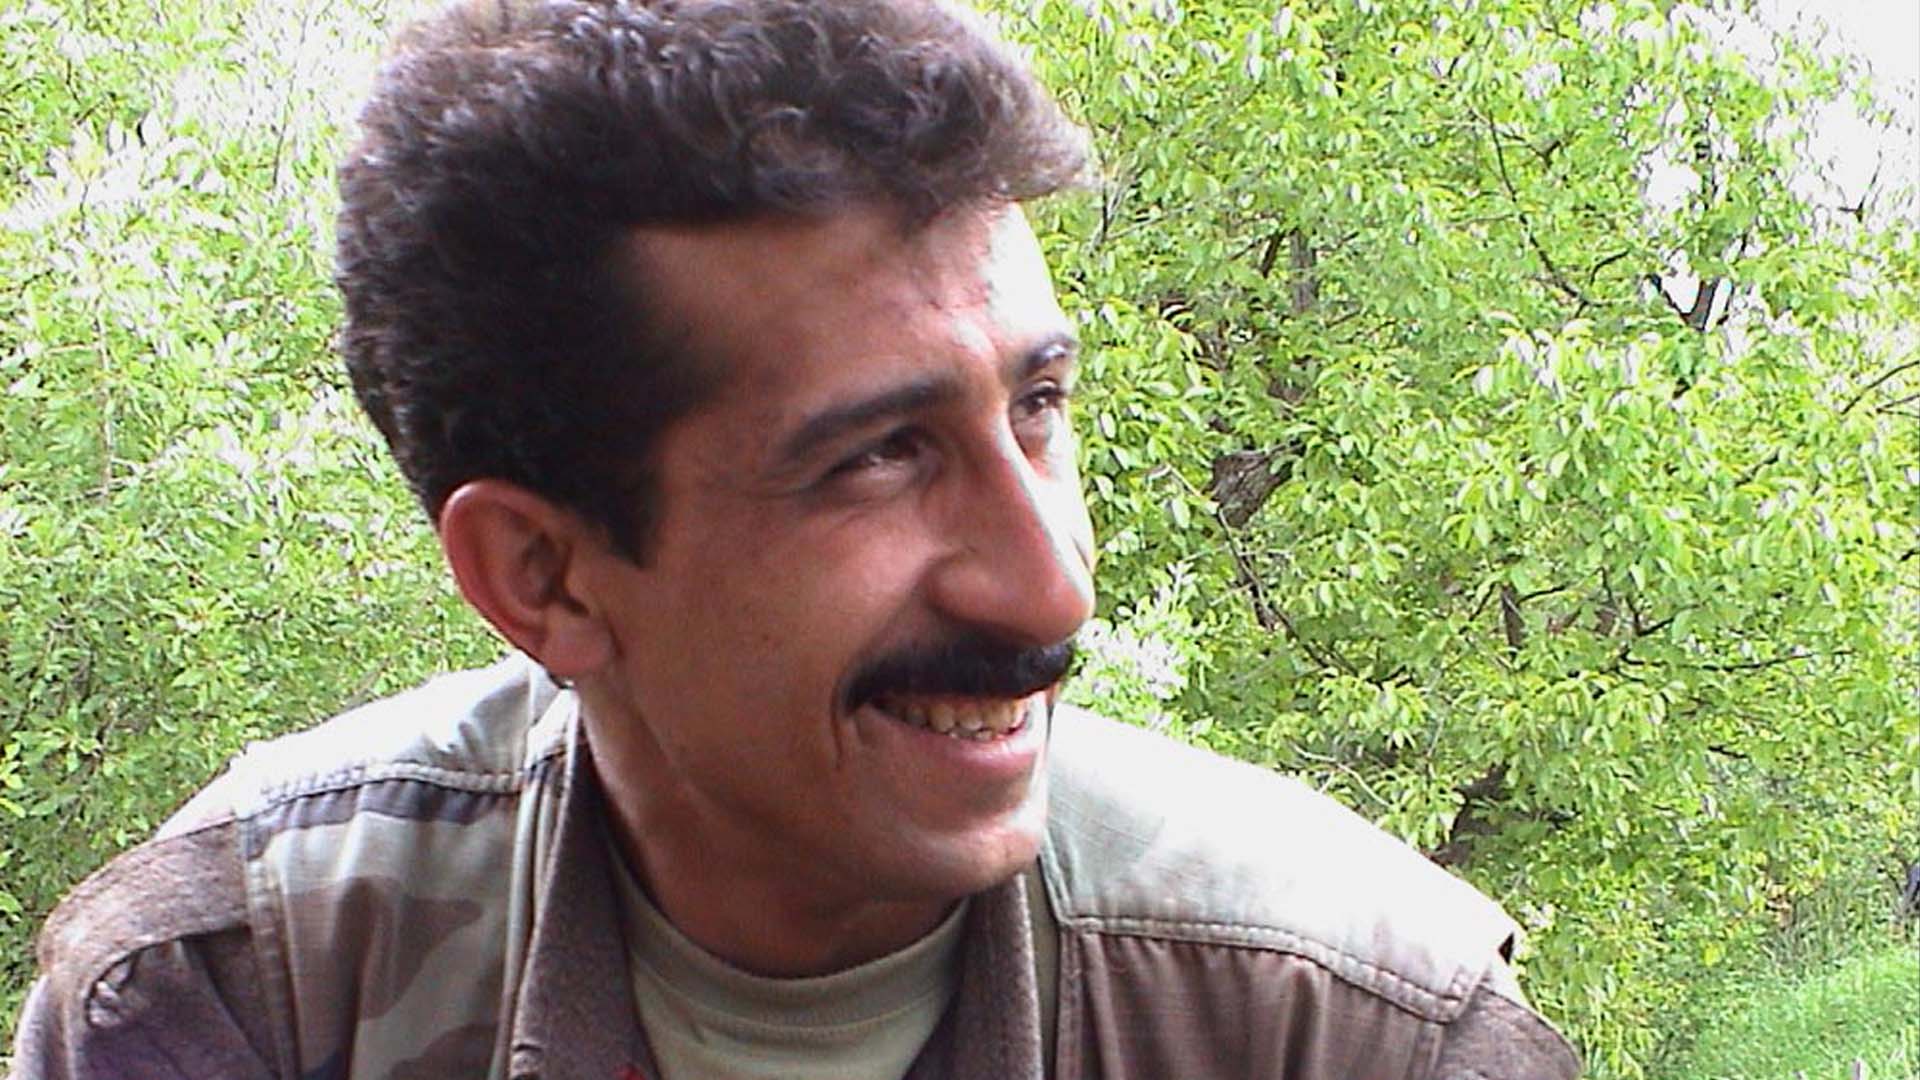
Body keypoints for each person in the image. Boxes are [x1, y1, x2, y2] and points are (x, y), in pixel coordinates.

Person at [8, 1, 1580, 1077]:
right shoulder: (242, 995)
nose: (1051, 585)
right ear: (541, 579)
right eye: (879, 459)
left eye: (1037, 407)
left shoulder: (1350, 1029)